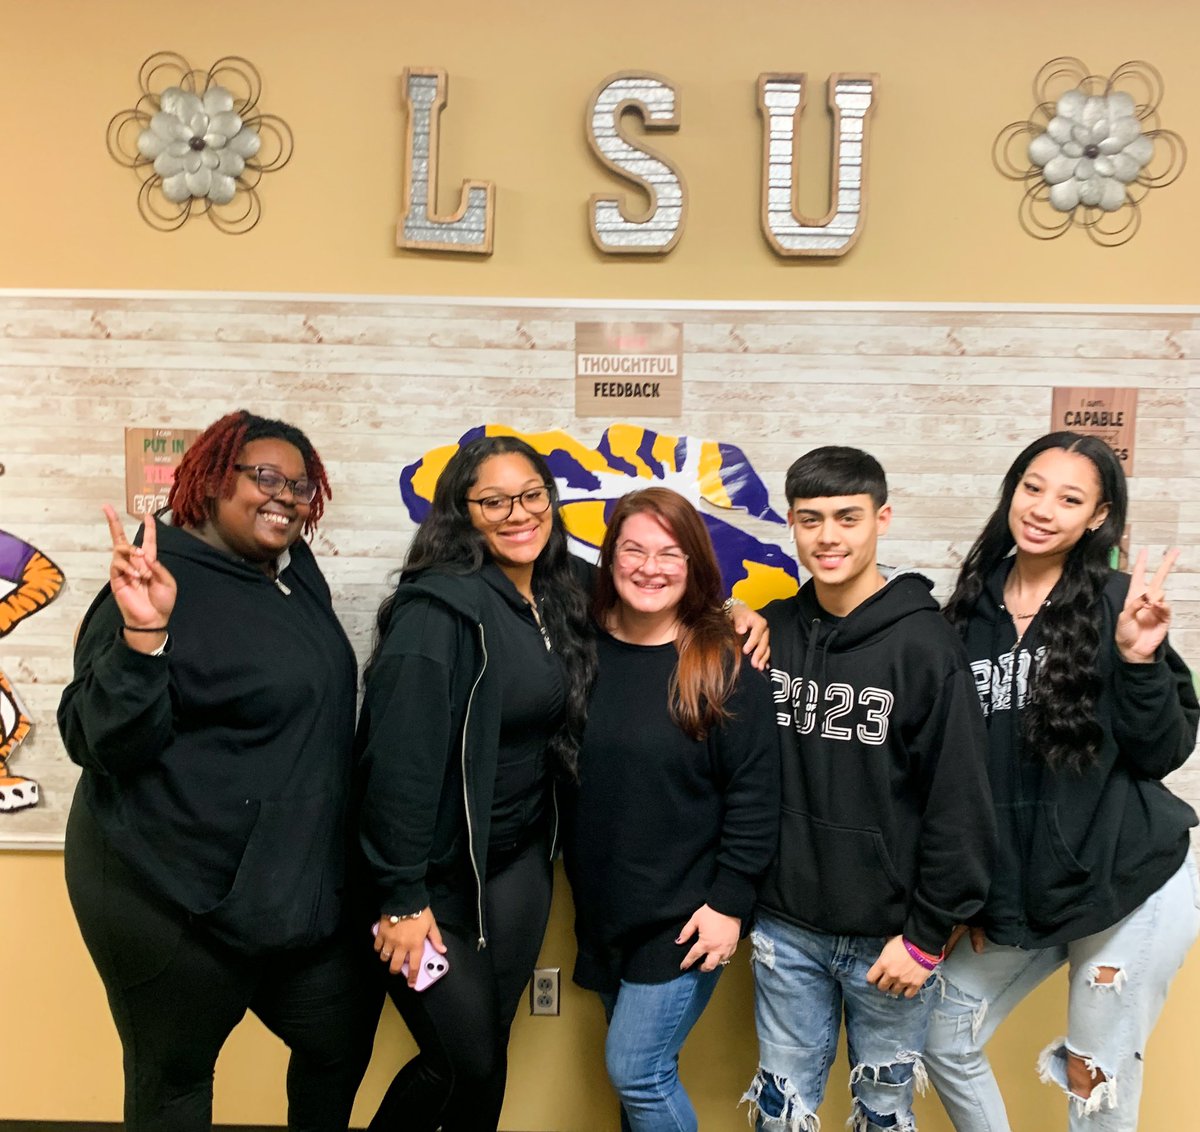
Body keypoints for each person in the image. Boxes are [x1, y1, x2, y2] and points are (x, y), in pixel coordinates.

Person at [57, 410, 377, 1132]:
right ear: (207, 479)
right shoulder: (151, 582)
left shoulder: (290, 576)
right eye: (264, 476)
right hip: (167, 898)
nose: (285, 496)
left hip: (290, 895)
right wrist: (143, 634)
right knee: (173, 1086)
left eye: (301, 484)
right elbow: (99, 743)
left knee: (338, 1040)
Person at [924, 432, 1199, 1132]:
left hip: (1129, 880)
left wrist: (1139, 662)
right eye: (1033, 487)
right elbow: (957, 775)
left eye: (1070, 498)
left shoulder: (1117, 602)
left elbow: (1163, 750)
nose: (1044, 509)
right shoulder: (964, 613)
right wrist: (969, 900)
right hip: (1029, 889)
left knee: (1094, 1084)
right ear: (1012, 490)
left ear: (1097, 516)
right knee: (938, 1035)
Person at [742, 446, 996, 1132]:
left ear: (882, 518)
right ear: (791, 526)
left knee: (882, 1117)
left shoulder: (925, 647)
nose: (829, 537)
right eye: (810, 519)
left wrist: (925, 937)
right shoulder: (778, 630)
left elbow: (960, 801)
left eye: (847, 518)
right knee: (779, 1112)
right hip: (786, 925)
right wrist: (736, 615)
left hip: (890, 941)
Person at [355, 435, 596, 1132]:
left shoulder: (556, 592)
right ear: (462, 512)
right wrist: (401, 899)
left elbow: (662, 596)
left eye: (531, 495)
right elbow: (394, 764)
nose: (518, 513)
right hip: (426, 883)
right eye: (493, 500)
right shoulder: (438, 612)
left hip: (515, 864)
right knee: (463, 1059)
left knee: (489, 1047)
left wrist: (733, 615)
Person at [563, 487, 780, 1132]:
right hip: (604, 907)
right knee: (642, 1083)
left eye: (670, 553)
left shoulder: (722, 659)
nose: (649, 567)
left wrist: (730, 905)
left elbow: (755, 794)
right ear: (609, 557)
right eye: (633, 549)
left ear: (694, 566)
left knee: (638, 1072)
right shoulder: (579, 647)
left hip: (687, 919)